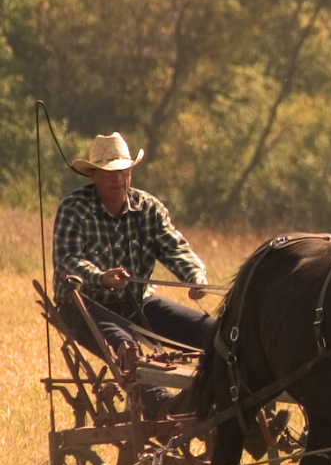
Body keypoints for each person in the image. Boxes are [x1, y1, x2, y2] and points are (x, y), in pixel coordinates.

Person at [53, 132, 219, 411]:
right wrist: (100, 277)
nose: (118, 178)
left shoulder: (148, 208)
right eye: (109, 173)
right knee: (127, 348)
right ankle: (163, 405)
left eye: (123, 171)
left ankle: (230, 405)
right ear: (93, 175)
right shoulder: (74, 208)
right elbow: (67, 261)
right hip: (84, 306)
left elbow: (174, 248)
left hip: (138, 303)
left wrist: (195, 276)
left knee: (214, 332)